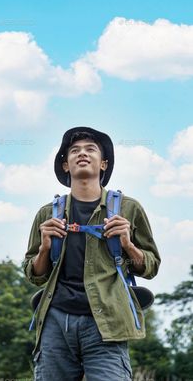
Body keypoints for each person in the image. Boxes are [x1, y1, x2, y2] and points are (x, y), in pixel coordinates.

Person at [23, 126, 161, 381]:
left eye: (90, 149)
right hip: (56, 324)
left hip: (107, 324)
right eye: (74, 151)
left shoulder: (128, 209)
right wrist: (44, 248)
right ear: (66, 165)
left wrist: (128, 244)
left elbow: (151, 267)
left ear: (104, 163)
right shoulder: (47, 214)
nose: (81, 154)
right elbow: (35, 275)